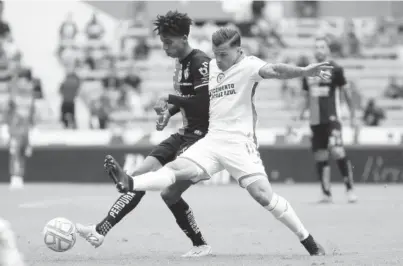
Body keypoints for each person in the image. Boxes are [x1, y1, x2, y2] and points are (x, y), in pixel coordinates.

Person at [105, 27, 331, 256]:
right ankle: (130, 183)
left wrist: (304, 71)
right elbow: (193, 97)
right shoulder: (211, 66)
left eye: (224, 54)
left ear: (238, 50)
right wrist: (170, 109)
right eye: (216, 53)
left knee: (263, 195)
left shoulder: (249, 66)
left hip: (239, 144)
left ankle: (308, 241)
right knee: (175, 168)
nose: (219, 60)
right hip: (212, 141)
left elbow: (274, 69)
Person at [76, 11, 212, 257]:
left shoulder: (201, 62)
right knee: (136, 176)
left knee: (168, 193)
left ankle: (200, 244)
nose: (164, 47)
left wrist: (170, 99)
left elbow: (203, 103)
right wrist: (169, 112)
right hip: (184, 133)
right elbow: (187, 100)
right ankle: (99, 231)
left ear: (184, 37)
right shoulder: (179, 63)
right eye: (162, 42)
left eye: (168, 42)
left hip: (202, 139)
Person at [298, 37, 358, 203]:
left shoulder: (336, 69)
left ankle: (350, 189)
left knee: (337, 149)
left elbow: (345, 92)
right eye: (316, 47)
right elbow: (305, 97)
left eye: (322, 47)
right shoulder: (307, 71)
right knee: (321, 155)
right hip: (315, 121)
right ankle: (326, 193)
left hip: (332, 118)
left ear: (327, 50)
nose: (319, 50)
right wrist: (299, 115)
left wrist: (353, 114)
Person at [7, 67, 36, 190]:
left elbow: (32, 113)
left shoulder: (30, 95)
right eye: (20, 80)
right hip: (15, 129)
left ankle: (20, 176)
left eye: (24, 80)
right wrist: (6, 126)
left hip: (26, 130)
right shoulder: (14, 94)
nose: (22, 83)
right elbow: (8, 111)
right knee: (15, 153)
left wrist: (33, 126)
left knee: (23, 153)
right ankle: (14, 176)